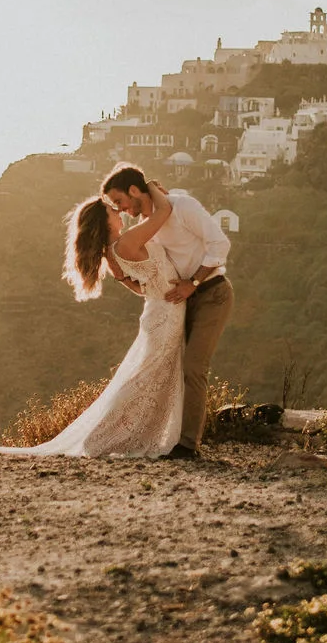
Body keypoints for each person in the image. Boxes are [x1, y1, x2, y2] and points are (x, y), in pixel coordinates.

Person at [0, 189, 188, 458]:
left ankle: (118, 435)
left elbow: (139, 288)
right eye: (114, 211)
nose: (121, 212)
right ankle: (105, 438)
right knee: (146, 378)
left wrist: (157, 287)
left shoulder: (112, 253)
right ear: (105, 222)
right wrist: (150, 189)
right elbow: (164, 212)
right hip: (167, 314)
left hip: (161, 311)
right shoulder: (126, 242)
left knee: (148, 377)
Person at [99, 162, 232, 460]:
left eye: (120, 201)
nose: (120, 209)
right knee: (169, 370)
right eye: (114, 206)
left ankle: (188, 446)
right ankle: (163, 436)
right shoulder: (148, 226)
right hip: (178, 303)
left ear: (135, 190)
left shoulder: (182, 205)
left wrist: (194, 282)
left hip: (212, 293)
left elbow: (220, 244)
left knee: (194, 367)